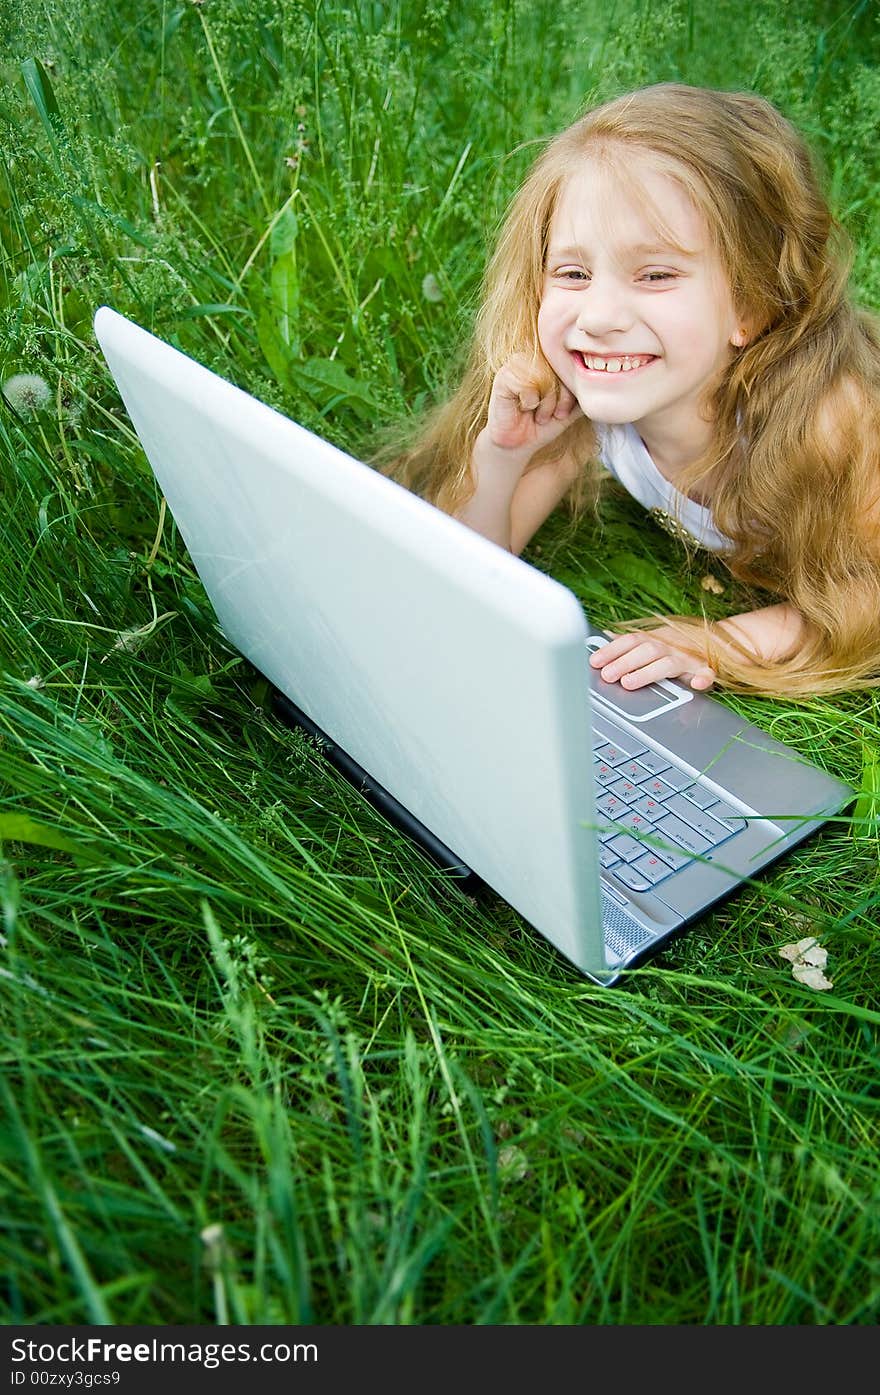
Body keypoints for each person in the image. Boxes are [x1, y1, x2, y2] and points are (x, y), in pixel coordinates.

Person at [384, 83, 880, 697]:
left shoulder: (834, 417)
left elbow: (868, 597)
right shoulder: (584, 402)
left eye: (655, 274)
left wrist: (715, 644)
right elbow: (474, 570)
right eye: (573, 272)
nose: (598, 316)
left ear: (749, 304)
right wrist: (501, 459)